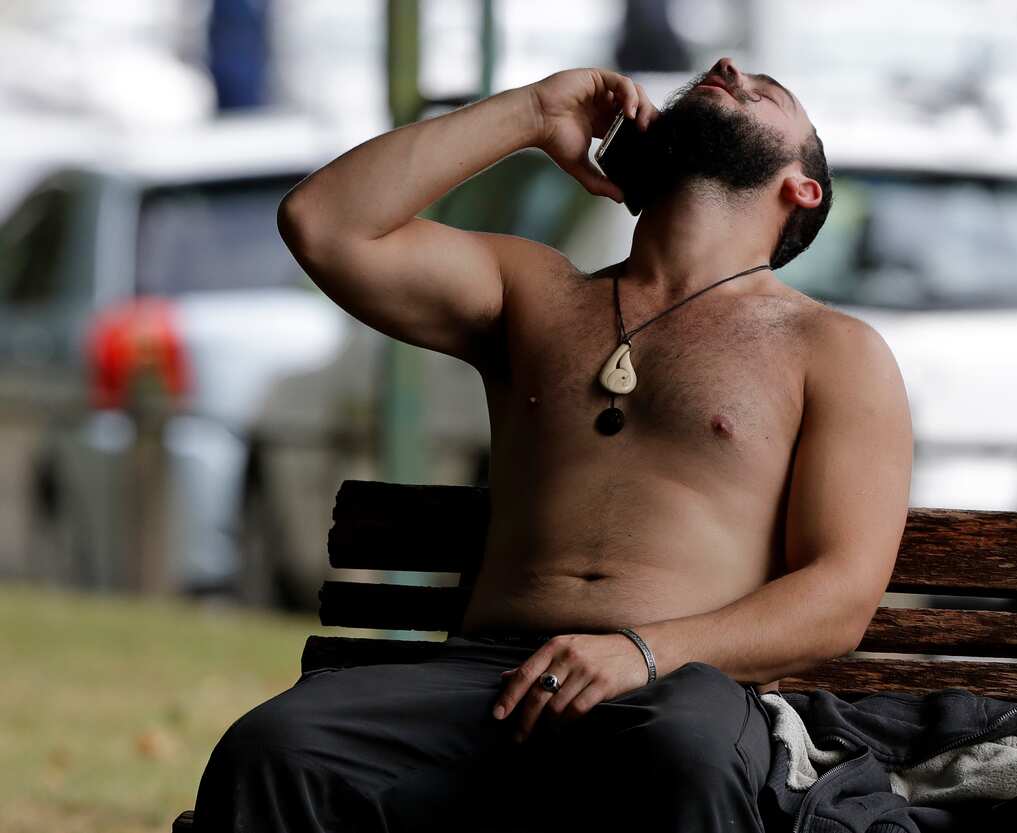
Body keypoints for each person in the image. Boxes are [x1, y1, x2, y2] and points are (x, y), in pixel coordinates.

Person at [192, 57, 913, 832]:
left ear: (801, 188)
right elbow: (322, 222)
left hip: (681, 686)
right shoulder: (533, 292)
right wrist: (532, 114)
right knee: (274, 747)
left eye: (765, 94)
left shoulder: (832, 348)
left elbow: (841, 595)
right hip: (488, 678)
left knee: (686, 756)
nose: (728, 67)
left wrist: (641, 652)